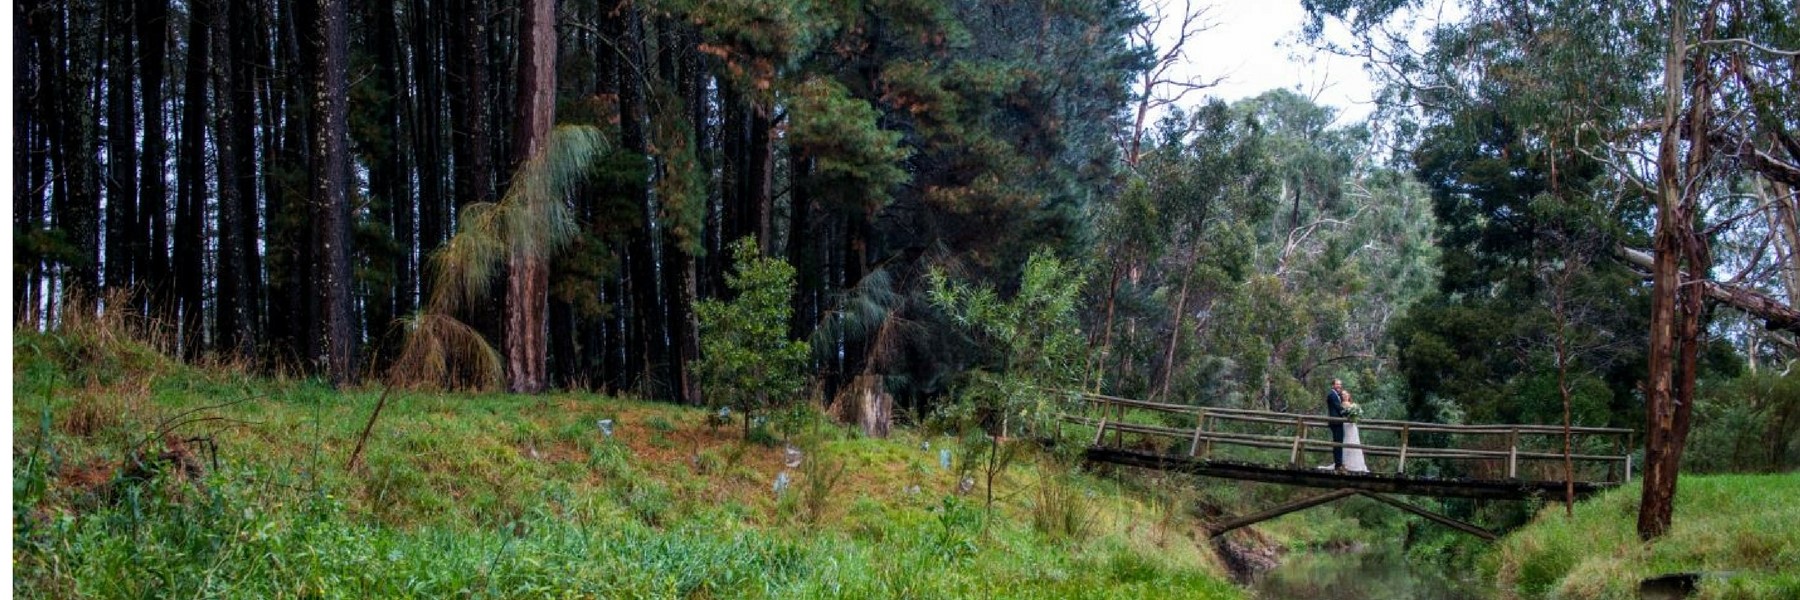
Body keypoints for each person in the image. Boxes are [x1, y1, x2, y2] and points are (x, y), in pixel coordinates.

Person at [1340, 388, 1368, 473]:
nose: (1345, 396)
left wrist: (1356, 413)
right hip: (1347, 424)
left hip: (1352, 425)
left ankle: (1356, 463)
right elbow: (1346, 413)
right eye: (1343, 395)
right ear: (1342, 397)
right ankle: (1347, 463)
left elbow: (1354, 413)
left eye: (1346, 394)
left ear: (1349, 395)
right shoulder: (1343, 404)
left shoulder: (1352, 404)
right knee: (1348, 441)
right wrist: (1352, 413)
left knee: (1355, 441)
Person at [1324, 379, 1347, 470]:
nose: (1339, 386)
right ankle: (1338, 465)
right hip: (1335, 422)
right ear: (1333, 385)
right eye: (1337, 384)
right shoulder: (1331, 395)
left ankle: (1339, 463)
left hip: (1339, 422)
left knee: (1339, 442)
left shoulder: (1338, 395)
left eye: (1340, 384)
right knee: (1337, 443)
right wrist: (1348, 413)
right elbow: (1338, 407)